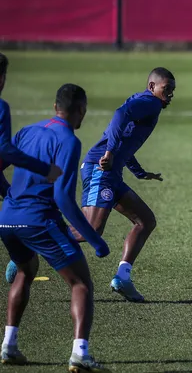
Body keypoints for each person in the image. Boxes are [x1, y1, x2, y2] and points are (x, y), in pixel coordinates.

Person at [0, 84, 111, 372]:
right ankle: (79, 353)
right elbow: (63, 197)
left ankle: (9, 346)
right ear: (80, 111)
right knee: (81, 283)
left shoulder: (26, 131)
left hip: (7, 220)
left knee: (25, 271)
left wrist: (11, 196)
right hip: (39, 220)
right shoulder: (69, 141)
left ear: (54, 107)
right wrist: (94, 239)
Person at [74, 67, 175, 302]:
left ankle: (123, 277)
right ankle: (29, 247)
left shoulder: (146, 102)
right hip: (101, 169)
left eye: (173, 91)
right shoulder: (150, 103)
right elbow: (120, 115)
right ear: (152, 87)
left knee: (145, 221)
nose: (170, 95)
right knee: (91, 230)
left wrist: (140, 172)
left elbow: (125, 138)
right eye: (167, 89)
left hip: (112, 173)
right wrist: (108, 153)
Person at [1, 52, 64, 283]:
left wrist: (8, 193)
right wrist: (43, 168)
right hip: (32, 214)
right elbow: (5, 151)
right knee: (80, 282)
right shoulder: (1, 107)